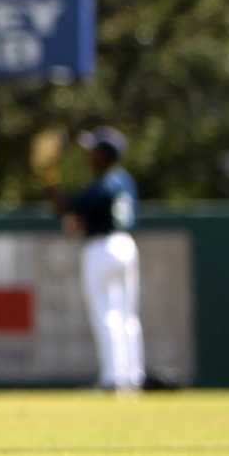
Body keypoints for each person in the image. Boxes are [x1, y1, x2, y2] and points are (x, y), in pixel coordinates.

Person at [51, 126, 145, 392]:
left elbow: (69, 206)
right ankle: (132, 376)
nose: (88, 156)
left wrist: (53, 187)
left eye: (93, 151)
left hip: (102, 247)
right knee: (127, 315)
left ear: (104, 155)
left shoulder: (103, 183)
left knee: (106, 314)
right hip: (127, 245)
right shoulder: (125, 180)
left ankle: (112, 379)